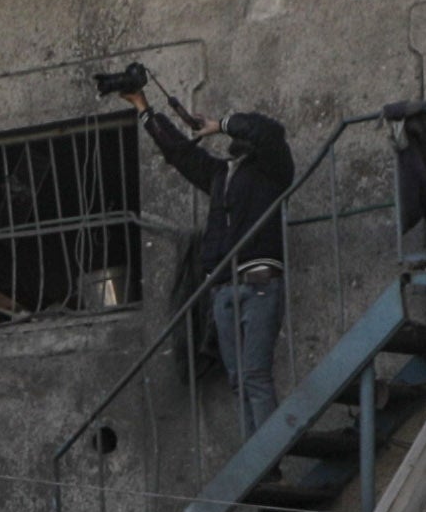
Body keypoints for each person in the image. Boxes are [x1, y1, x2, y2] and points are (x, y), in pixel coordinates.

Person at [113, 64, 302, 433]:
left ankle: (267, 460)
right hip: (223, 289)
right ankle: (258, 463)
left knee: (255, 375)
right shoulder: (221, 176)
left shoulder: (272, 170)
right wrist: (142, 105)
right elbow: (179, 153)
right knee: (239, 379)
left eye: (234, 137)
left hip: (259, 283)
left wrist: (220, 123)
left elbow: (268, 132)